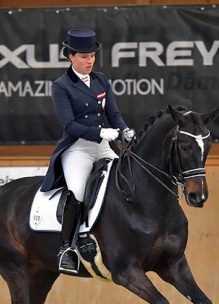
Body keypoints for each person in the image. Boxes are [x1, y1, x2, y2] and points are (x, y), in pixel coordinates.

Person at [40, 28, 135, 274]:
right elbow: (69, 125)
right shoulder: (61, 86)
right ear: (71, 57)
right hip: (78, 148)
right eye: (83, 56)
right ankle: (67, 247)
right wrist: (99, 133)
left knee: (126, 176)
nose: (89, 60)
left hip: (104, 145)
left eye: (92, 55)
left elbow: (113, 114)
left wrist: (124, 130)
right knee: (78, 191)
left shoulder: (101, 79)